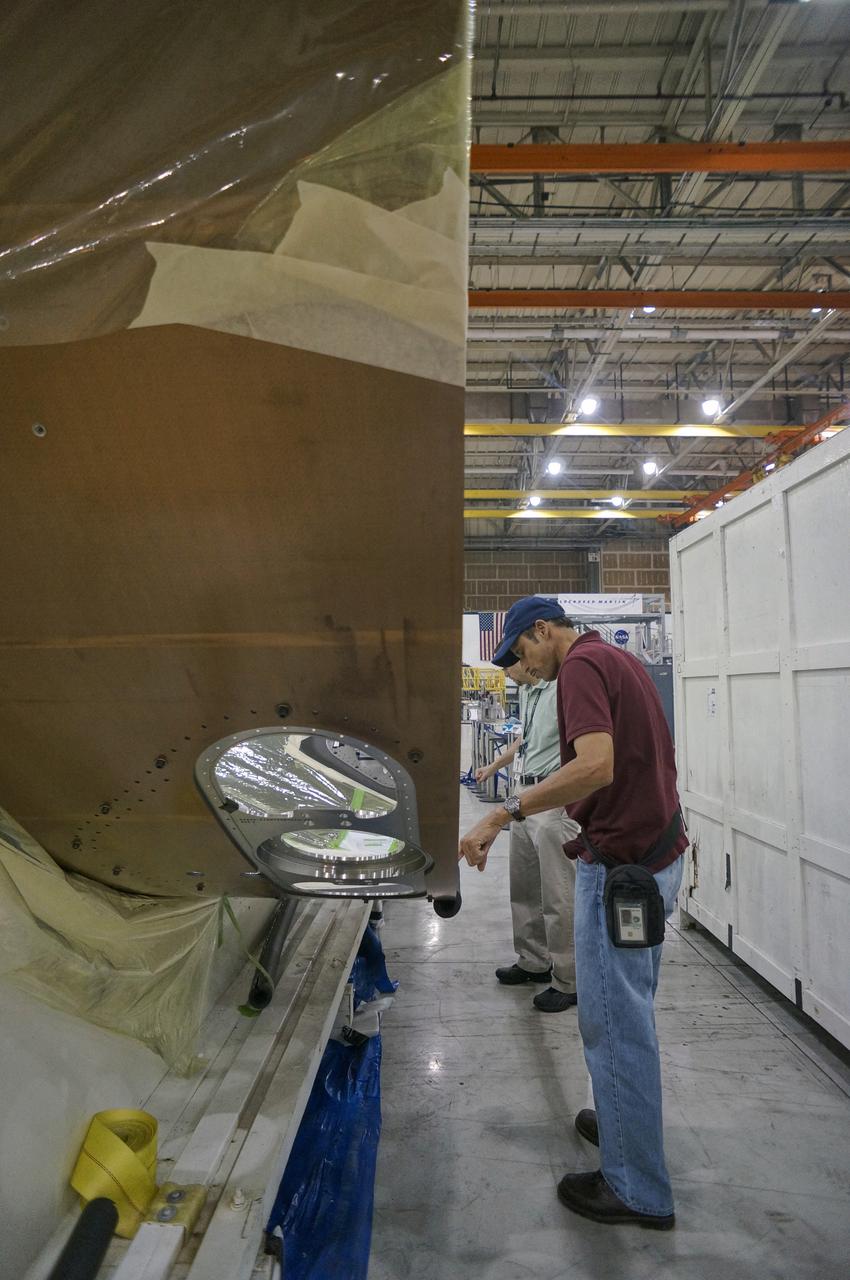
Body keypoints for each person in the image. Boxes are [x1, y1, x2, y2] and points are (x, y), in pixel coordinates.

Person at [458, 596, 687, 1231]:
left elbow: (596, 766)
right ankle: (619, 1121)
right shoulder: (616, 659)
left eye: (521, 653)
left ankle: (636, 1187)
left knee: (615, 1026)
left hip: (622, 870)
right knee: (624, 1015)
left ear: (543, 630)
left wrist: (503, 812)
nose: (521, 668)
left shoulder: (581, 667)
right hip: (656, 854)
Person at [475, 662, 579, 1013]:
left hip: (552, 800)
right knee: (524, 887)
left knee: (559, 892)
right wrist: (493, 767)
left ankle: (569, 979)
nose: (506, 674)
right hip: (523, 796)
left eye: (510, 665)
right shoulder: (529, 692)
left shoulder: (563, 687)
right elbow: (524, 741)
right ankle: (534, 960)